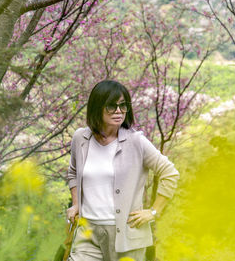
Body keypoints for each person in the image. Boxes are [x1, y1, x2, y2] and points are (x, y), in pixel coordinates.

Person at [66, 80, 180, 261]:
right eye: (112, 106)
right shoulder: (81, 138)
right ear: (97, 107)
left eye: (123, 105)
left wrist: (153, 212)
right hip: (87, 233)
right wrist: (76, 204)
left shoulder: (137, 142)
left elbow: (170, 173)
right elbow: (73, 172)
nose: (119, 111)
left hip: (127, 235)